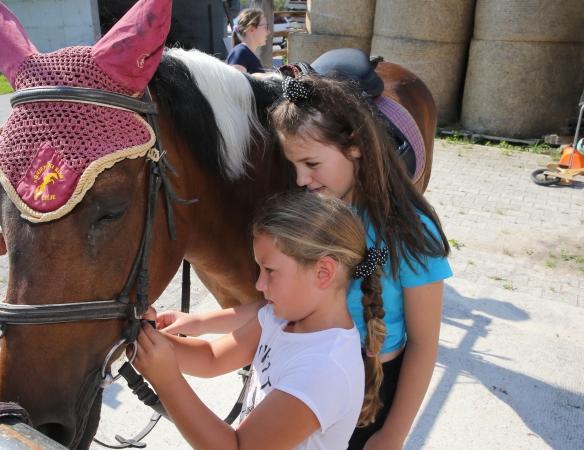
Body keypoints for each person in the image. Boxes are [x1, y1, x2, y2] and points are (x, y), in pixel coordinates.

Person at [157, 76, 453, 450]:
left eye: (311, 162)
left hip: (373, 384)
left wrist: (393, 434)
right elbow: (276, 307)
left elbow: (424, 343)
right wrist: (199, 323)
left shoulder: (410, 232)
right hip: (304, 370)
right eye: (294, 164)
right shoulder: (316, 212)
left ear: (356, 146)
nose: (300, 178)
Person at [134, 192, 386, 449]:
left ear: (323, 273)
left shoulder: (324, 370)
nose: (258, 284)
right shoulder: (279, 318)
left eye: (270, 271)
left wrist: (167, 381)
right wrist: (140, 338)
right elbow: (212, 357)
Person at [226, 7, 270, 75]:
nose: (268, 31)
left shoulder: (245, 52)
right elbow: (236, 83)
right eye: (265, 27)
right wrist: (256, 77)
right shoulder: (241, 53)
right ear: (251, 29)